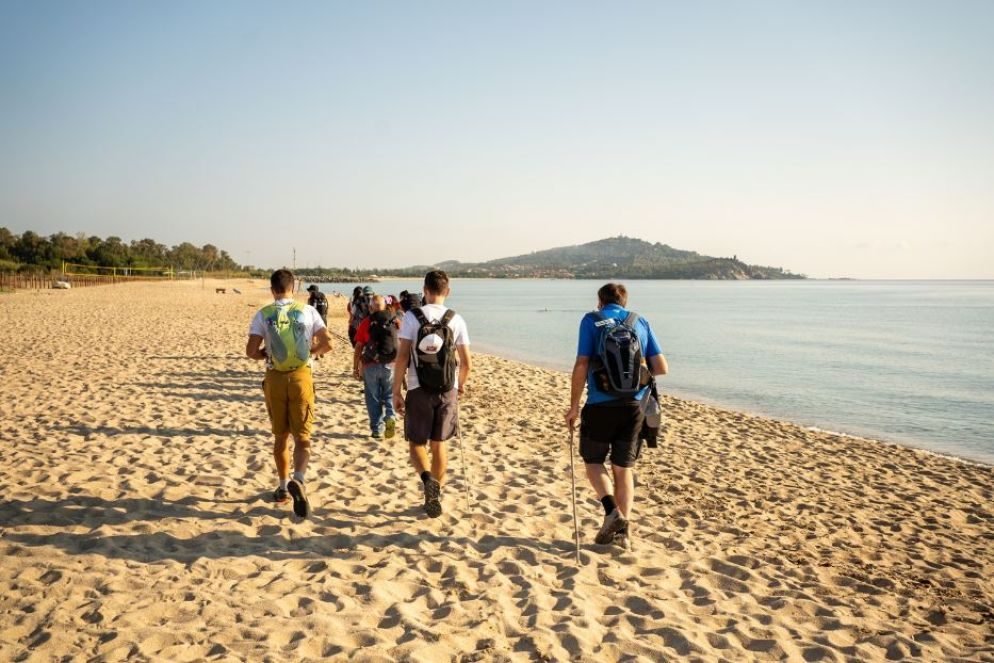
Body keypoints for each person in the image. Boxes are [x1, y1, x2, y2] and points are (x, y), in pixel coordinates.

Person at [564, 282, 668, 549]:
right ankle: (623, 536)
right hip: (634, 406)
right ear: (624, 302)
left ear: (600, 302)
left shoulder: (591, 320)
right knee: (624, 469)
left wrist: (573, 406)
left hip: (600, 405)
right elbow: (661, 367)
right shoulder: (639, 321)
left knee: (593, 461)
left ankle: (612, 512)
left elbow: (581, 364)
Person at [245, 269, 332, 518]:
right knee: (303, 438)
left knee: (281, 436)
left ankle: (283, 488)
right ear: (293, 288)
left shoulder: (263, 314)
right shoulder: (308, 311)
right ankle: (299, 479)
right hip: (301, 376)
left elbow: (250, 351)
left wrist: (264, 354)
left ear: (273, 290)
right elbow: (328, 344)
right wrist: (311, 352)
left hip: (275, 379)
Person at [393, 270, 471, 518]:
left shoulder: (412, 317)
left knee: (417, 443)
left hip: (418, 389)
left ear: (425, 290)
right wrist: (459, 385)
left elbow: (402, 357)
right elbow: (466, 363)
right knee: (439, 445)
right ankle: (435, 495)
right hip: (447, 390)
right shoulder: (456, 319)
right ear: (447, 291)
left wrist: (396, 391)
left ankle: (427, 479)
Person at [353, 295, 399, 439]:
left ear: (371, 307)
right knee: (389, 394)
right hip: (390, 364)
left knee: (373, 398)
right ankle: (390, 416)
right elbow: (402, 342)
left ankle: (377, 430)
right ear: (385, 306)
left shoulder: (367, 322)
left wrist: (355, 367)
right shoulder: (395, 321)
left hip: (370, 365)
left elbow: (359, 346)